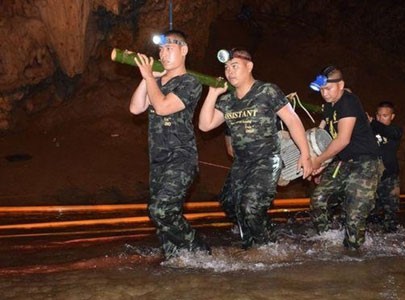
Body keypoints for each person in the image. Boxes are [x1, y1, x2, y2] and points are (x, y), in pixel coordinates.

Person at [198, 48, 312, 249]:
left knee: (250, 207)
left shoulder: (267, 91)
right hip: (241, 163)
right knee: (229, 203)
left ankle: (268, 248)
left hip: (266, 160)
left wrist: (305, 154)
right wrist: (213, 94)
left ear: (249, 66)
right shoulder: (228, 100)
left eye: (235, 66)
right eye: (226, 68)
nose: (230, 72)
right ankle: (252, 241)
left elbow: (293, 120)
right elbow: (205, 125)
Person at [129, 29, 209, 260]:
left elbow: (163, 106)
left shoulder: (190, 82)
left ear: (183, 51)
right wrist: (151, 78)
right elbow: (135, 108)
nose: (163, 54)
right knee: (160, 222)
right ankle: (178, 265)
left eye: (169, 48)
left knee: (161, 210)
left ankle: (200, 250)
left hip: (181, 158)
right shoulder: (155, 82)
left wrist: (147, 78)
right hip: (158, 160)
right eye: (161, 49)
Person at [308, 65, 384, 250]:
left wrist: (317, 161)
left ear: (340, 85)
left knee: (354, 214)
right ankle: (328, 241)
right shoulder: (328, 106)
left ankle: (353, 256)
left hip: (365, 162)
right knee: (319, 199)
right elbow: (321, 135)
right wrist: (321, 164)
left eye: (328, 89)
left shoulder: (348, 101)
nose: (324, 94)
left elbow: (342, 140)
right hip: (341, 162)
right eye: (322, 90)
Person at [367, 101, 403, 232]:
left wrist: (372, 122)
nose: (381, 118)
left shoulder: (395, 130)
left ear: (392, 116)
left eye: (385, 115)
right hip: (371, 177)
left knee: (391, 213)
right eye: (379, 115)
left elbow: (389, 132)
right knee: (369, 214)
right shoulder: (369, 129)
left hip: (390, 178)